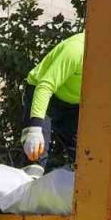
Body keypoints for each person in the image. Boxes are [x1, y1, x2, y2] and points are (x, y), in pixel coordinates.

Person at [21, 32, 84, 172]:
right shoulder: (76, 49)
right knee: (35, 152)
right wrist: (35, 130)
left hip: (74, 104)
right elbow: (45, 86)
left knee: (84, 157)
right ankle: (30, 179)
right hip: (44, 94)